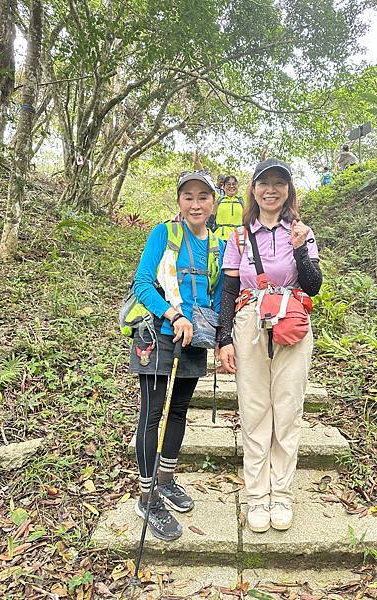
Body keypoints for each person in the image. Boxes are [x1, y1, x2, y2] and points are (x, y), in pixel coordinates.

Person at [218, 158, 322, 533]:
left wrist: (297, 249)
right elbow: (229, 290)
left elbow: (313, 285)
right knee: (255, 408)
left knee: (288, 408)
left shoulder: (303, 232)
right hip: (249, 323)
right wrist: (223, 338)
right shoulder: (239, 236)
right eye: (264, 182)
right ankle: (256, 495)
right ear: (253, 189)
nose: (271, 189)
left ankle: (283, 494)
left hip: (292, 323)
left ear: (288, 190)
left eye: (280, 182)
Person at [130, 171, 225, 541]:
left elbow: (217, 292)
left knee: (181, 410)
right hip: (158, 333)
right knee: (152, 413)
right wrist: (175, 314)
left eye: (203, 196)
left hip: (194, 337)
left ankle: (166, 479)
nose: (196, 203)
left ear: (213, 203)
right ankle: (146, 494)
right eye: (188, 196)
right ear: (179, 202)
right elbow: (141, 283)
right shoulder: (164, 234)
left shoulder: (217, 245)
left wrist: (218, 331)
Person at [213, 175, 244, 240]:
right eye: (228, 184)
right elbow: (208, 184)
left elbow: (252, 184)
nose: (231, 186)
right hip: (219, 238)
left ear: (238, 186)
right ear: (223, 187)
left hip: (238, 238)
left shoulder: (242, 200)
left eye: (234, 184)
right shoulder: (219, 199)